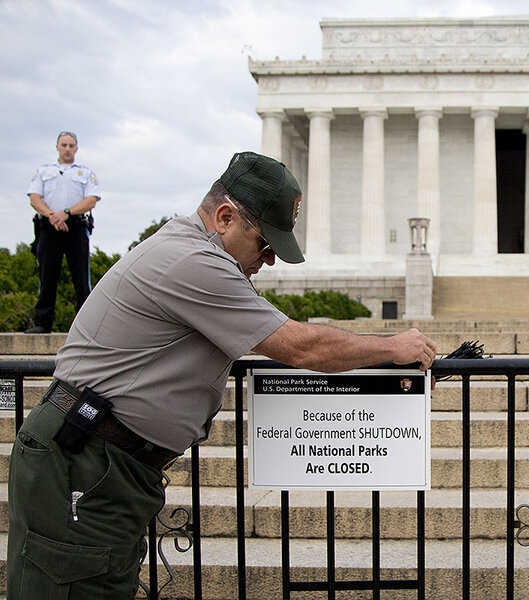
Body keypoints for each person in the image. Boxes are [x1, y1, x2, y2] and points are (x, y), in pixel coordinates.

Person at [6, 151, 437, 599]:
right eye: (264, 244)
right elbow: (298, 345)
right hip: (86, 459)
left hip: (101, 459)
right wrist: (392, 347)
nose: (269, 260)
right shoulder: (193, 260)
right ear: (226, 217)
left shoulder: (188, 249)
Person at [24, 131, 101, 333]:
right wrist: (52, 216)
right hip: (49, 228)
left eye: (71, 145)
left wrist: (66, 214)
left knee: (81, 278)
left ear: (76, 149)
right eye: (64, 145)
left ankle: (85, 327)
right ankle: (42, 323)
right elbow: (34, 198)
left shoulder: (85, 173)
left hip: (75, 227)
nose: (67, 149)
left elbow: (91, 199)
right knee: (47, 275)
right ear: (57, 147)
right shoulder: (43, 171)